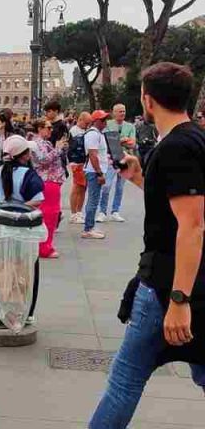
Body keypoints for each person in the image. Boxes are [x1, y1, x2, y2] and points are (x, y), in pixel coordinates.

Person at [88, 63, 205, 427]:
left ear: (147, 100)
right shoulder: (195, 139)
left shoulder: (176, 147)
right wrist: (140, 177)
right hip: (193, 281)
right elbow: (179, 209)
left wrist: (179, 300)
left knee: (124, 383)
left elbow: (193, 225)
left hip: (166, 288)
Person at [0, 135, 45, 325]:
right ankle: (25, 313)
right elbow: (38, 199)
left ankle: (1, 310)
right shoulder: (28, 175)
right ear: (26, 155)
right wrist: (18, 212)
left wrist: (7, 213)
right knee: (26, 269)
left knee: (2, 268)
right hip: (24, 231)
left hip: (1, 230)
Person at [32, 119, 67, 259]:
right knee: (48, 215)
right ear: (40, 129)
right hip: (47, 181)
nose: (50, 130)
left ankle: (46, 245)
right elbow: (43, 160)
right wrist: (58, 149)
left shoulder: (45, 142)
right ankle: (44, 247)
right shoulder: (37, 143)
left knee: (52, 215)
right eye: (48, 127)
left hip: (53, 180)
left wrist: (61, 149)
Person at [101, 103, 136, 223]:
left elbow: (132, 143)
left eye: (124, 111)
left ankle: (115, 211)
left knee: (120, 187)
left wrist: (118, 141)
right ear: (113, 113)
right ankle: (102, 211)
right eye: (120, 111)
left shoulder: (130, 126)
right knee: (106, 186)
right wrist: (123, 140)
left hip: (124, 158)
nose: (122, 113)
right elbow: (107, 141)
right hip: (110, 158)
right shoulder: (108, 124)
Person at [81, 110, 112, 240]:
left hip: (95, 170)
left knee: (94, 199)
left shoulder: (97, 134)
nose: (105, 122)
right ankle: (88, 228)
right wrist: (99, 173)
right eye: (102, 120)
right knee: (93, 200)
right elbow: (93, 155)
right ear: (96, 121)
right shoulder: (93, 134)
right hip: (94, 171)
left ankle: (90, 226)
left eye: (105, 119)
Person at [68, 111, 92, 224]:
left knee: (83, 187)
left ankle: (79, 212)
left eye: (89, 123)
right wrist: (72, 162)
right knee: (77, 186)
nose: (87, 125)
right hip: (77, 162)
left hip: (86, 162)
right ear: (80, 120)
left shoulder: (87, 130)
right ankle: (73, 213)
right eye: (86, 123)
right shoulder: (73, 131)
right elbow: (69, 148)